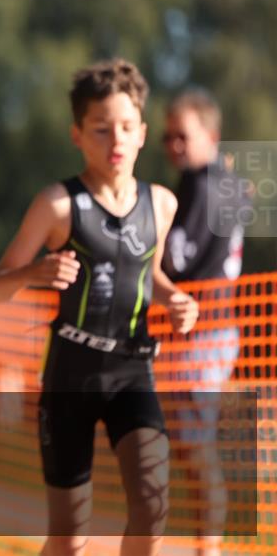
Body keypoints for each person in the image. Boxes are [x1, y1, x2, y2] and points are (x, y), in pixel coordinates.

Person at [0, 58, 199, 556]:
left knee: (151, 504)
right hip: (70, 376)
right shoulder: (58, 205)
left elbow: (150, 275)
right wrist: (33, 275)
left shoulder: (161, 203)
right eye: (101, 129)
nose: (116, 140)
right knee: (69, 536)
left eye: (126, 127)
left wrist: (175, 300)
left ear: (144, 132)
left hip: (132, 370)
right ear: (77, 134)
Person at [162, 89, 246, 556]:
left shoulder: (200, 185)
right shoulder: (230, 183)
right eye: (167, 137)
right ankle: (204, 542)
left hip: (203, 331)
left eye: (183, 135)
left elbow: (176, 259)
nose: (173, 145)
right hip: (214, 329)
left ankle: (208, 547)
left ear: (210, 136)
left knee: (197, 447)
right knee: (193, 447)